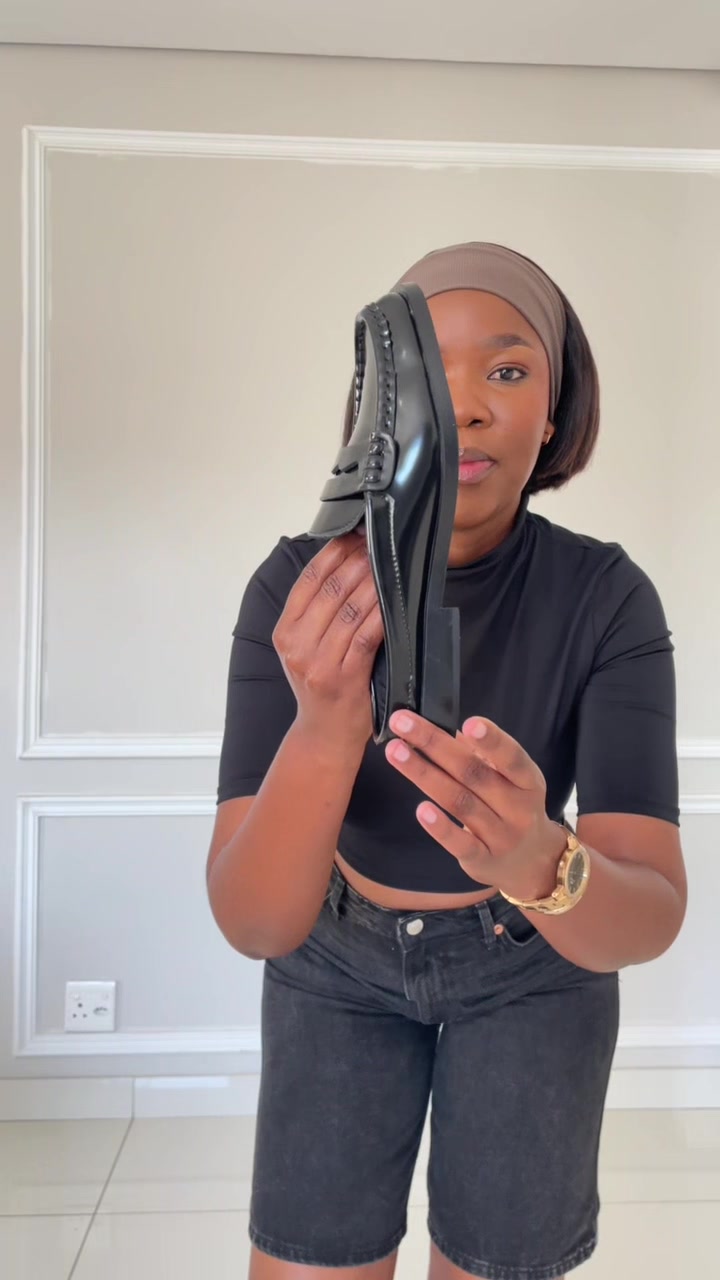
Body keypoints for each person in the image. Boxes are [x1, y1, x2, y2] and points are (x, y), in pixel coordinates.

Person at [206, 242, 687, 1280]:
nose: (466, 407)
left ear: (553, 412)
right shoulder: (297, 588)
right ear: (377, 405)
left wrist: (539, 860)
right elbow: (255, 921)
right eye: (429, 374)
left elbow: (650, 914)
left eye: (508, 370)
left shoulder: (608, 599)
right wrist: (326, 724)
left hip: (533, 974)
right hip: (333, 966)